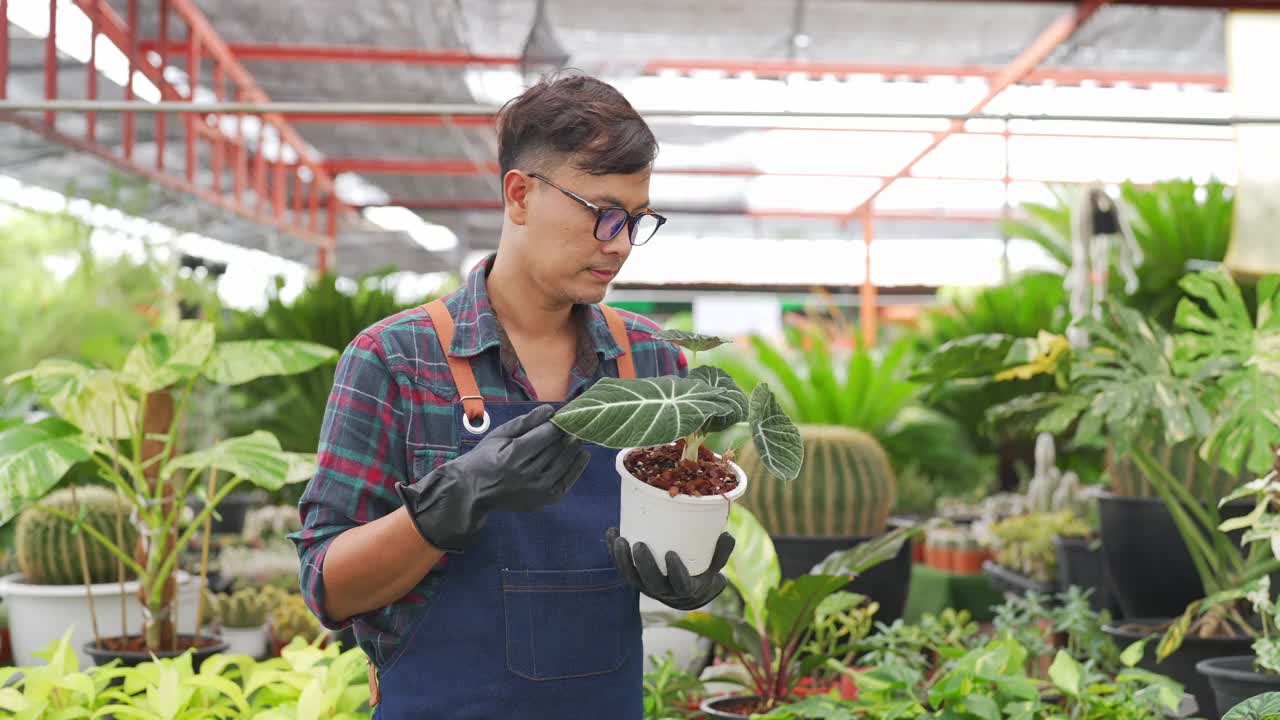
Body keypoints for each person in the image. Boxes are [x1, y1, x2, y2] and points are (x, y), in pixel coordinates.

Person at [290, 74, 736, 719]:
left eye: (637, 221)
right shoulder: (397, 359)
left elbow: (672, 528)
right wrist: (444, 509)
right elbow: (325, 586)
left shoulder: (654, 363)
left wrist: (686, 572)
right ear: (520, 195)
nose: (618, 243)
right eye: (603, 213)